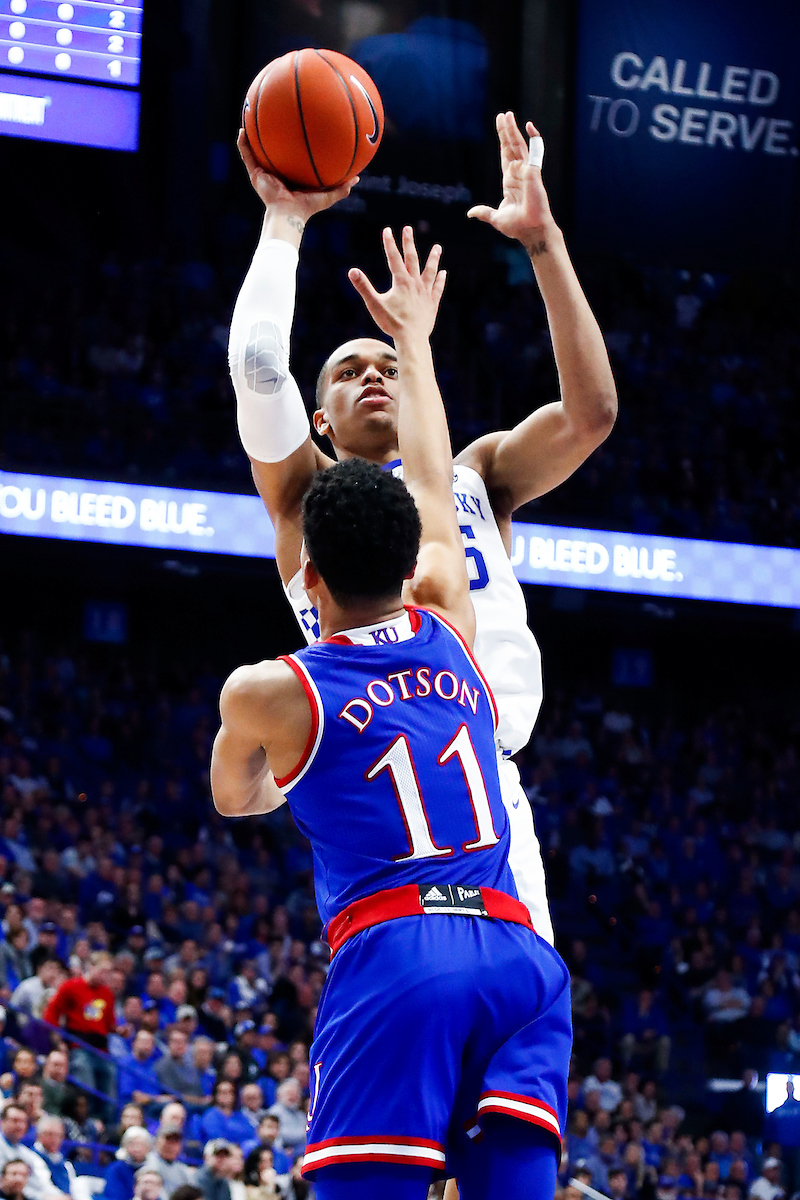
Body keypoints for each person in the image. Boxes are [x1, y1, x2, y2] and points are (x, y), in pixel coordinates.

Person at [212, 226, 572, 1197]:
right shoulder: (448, 608)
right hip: (509, 921)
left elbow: (255, 369)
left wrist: (282, 219)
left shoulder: (273, 685)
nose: (368, 378)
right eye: (346, 370)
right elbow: (429, 482)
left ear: (310, 576)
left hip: (397, 927)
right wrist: (414, 340)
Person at [229, 111, 617, 949]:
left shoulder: (476, 474)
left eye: (388, 364)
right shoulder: (307, 500)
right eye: (347, 371)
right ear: (321, 420)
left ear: (419, 386)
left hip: (485, 775)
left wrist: (544, 243)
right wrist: (284, 221)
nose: (372, 375)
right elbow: (258, 371)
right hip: (370, 771)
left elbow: (592, 415)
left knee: (497, 1021)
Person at [42, 951, 117, 1109]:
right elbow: (52, 1011)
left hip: (101, 1048)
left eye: (109, 972)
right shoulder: (71, 986)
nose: (106, 976)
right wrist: (57, 1038)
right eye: (103, 971)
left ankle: (104, 1118)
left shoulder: (107, 993)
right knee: (85, 1080)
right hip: (79, 1045)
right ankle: (85, 1114)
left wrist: (121, 1030)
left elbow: (110, 1023)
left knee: (110, 1079)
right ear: (90, 967)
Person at [0, 1106, 58, 1200]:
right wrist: (42, 1198)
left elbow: (42, 1183)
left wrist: (57, 1197)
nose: (20, 1126)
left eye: (23, 1122)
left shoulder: (28, 1155)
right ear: (2, 1122)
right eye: (15, 1121)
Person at [153, 1031, 204, 1109]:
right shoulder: (163, 1066)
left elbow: (197, 1088)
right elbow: (173, 1094)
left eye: (183, 1042)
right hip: (176, 1106)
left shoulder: (191, 1065)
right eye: (176, 1042)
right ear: (169, 1044)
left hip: (195, 1104)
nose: (180, 1045)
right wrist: (198, 1101)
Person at [200, 1082, 255, 1149]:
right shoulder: (211, 1115)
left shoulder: (240, 1115)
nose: (227, 1095)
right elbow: (215, 1137)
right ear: (216, 1095)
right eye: (223, 1092)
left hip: (242, 1150)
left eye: (230, 1092)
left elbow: (251, 1133)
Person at [141, 1127, 193, 1198]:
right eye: (168, 1141)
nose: (171, 1146)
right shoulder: (148, 1162)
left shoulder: (181, 1168)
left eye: (175, 1142)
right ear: (157, 1142)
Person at [104, 1127, 153, 1200]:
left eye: (142, 1145)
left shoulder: (151, 1170)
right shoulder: (116, 1169)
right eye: (132, 1144)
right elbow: (114, 1195)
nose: (137, 1148)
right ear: (125, 1146)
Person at [31, 1117, 76, 1197]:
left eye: (58, 1135)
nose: (54, 1139)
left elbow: (74, 1188)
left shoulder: (66, 1164)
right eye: (49, 1134)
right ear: (39, 1135)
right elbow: (44, 1186)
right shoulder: (31, 1157)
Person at [39, 1054, 70, 1120]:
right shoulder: (38, 1085)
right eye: (56, 1065)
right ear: (47, 1066)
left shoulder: (71, 1091)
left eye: (62, 1065)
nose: (58, 1069)